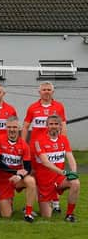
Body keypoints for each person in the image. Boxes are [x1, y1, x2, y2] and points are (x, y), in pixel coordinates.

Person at [22, 81, 68, 213]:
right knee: (34, 175)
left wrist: (63, 142)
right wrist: (24, 143)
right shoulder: (32, 107)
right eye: (44, 90)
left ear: (52, 92)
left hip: (54, 147)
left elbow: (63, 125)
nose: (46, 92)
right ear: (39, 92)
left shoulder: (59, 107)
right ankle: (30, 204)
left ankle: (55, 202)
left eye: (49, 89)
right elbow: (25, 126)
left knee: (55, 173)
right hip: (36, 149)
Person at [33, 115, 80, 222]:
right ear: (47, 126)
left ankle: (69, 215)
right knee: (47, 216)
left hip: (59, 179)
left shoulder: (64, 139)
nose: (53, 126)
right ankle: (39, 202)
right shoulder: (39, 141)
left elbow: (70, 157)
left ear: (60, 126)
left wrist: (74, 173)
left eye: (56, 124)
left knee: (75, 182)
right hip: (45, 182)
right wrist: (64, 172)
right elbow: (46, 163)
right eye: (51, 124)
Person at [0, 116, 37, 222]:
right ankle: (1, 205)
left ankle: (28, 213)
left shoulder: (24, 145)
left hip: (17, 179)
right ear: (5, 128)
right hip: (3, 180)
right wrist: (16, 172)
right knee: (6, 215)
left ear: (19, 128)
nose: (12, 130)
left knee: (30, 180)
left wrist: (19, 175)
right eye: (9, 127)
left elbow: (27, 167)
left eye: (14, 127)